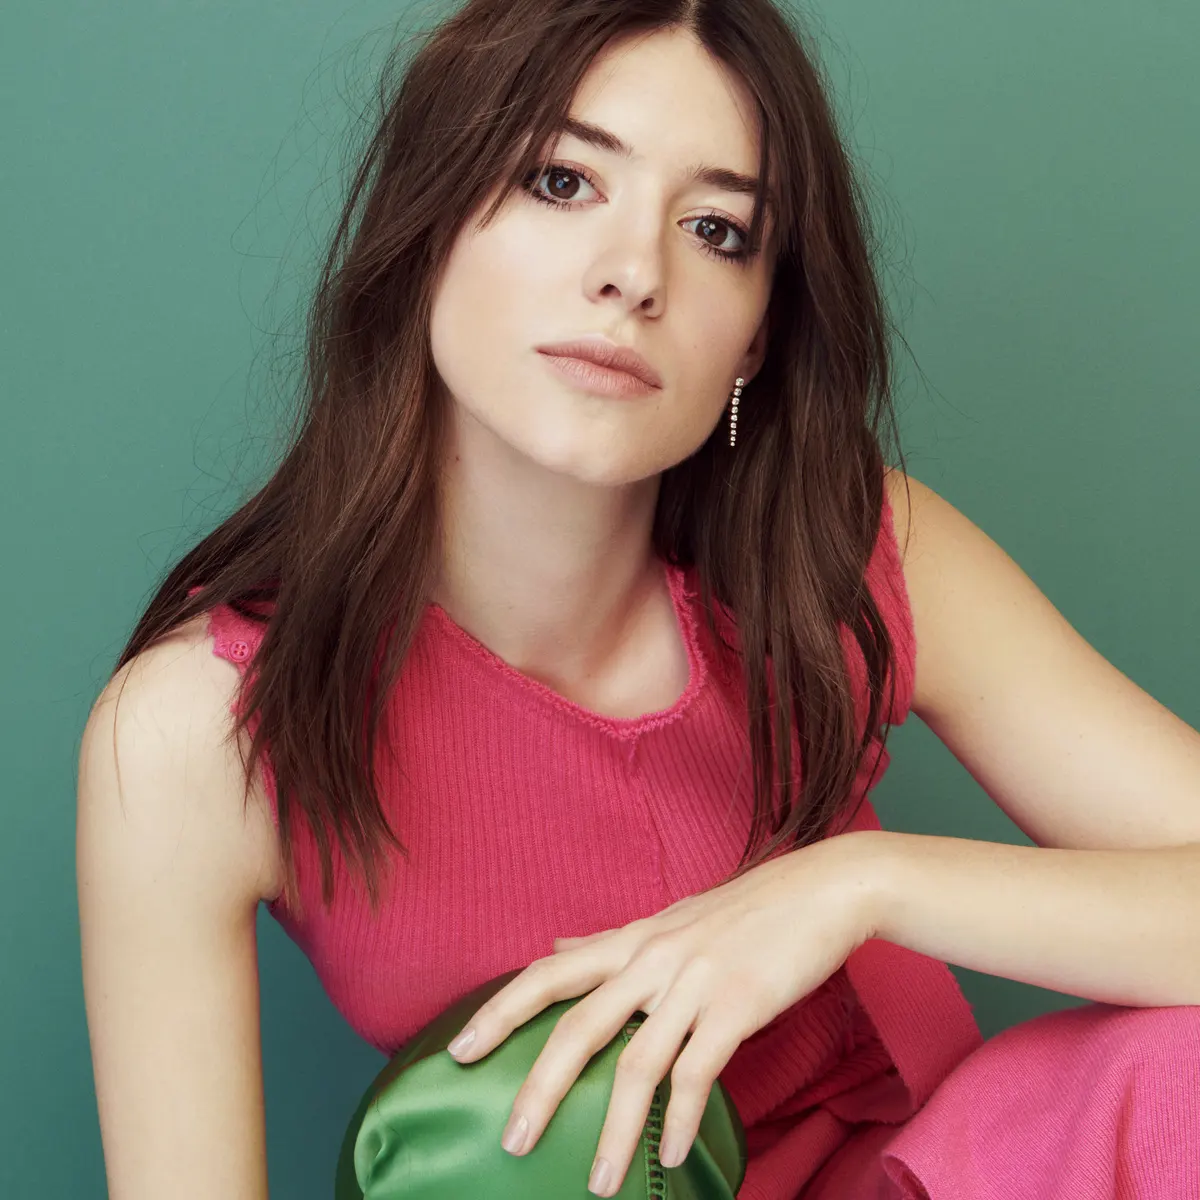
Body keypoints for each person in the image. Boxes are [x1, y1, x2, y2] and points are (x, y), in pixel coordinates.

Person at [75, 1, 1200, 1197]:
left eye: (716, 229)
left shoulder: (845, 550)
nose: (633, 275)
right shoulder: (195, 731)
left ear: (756, 338)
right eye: (562, 181)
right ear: (428, 222)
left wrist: (859, 888)